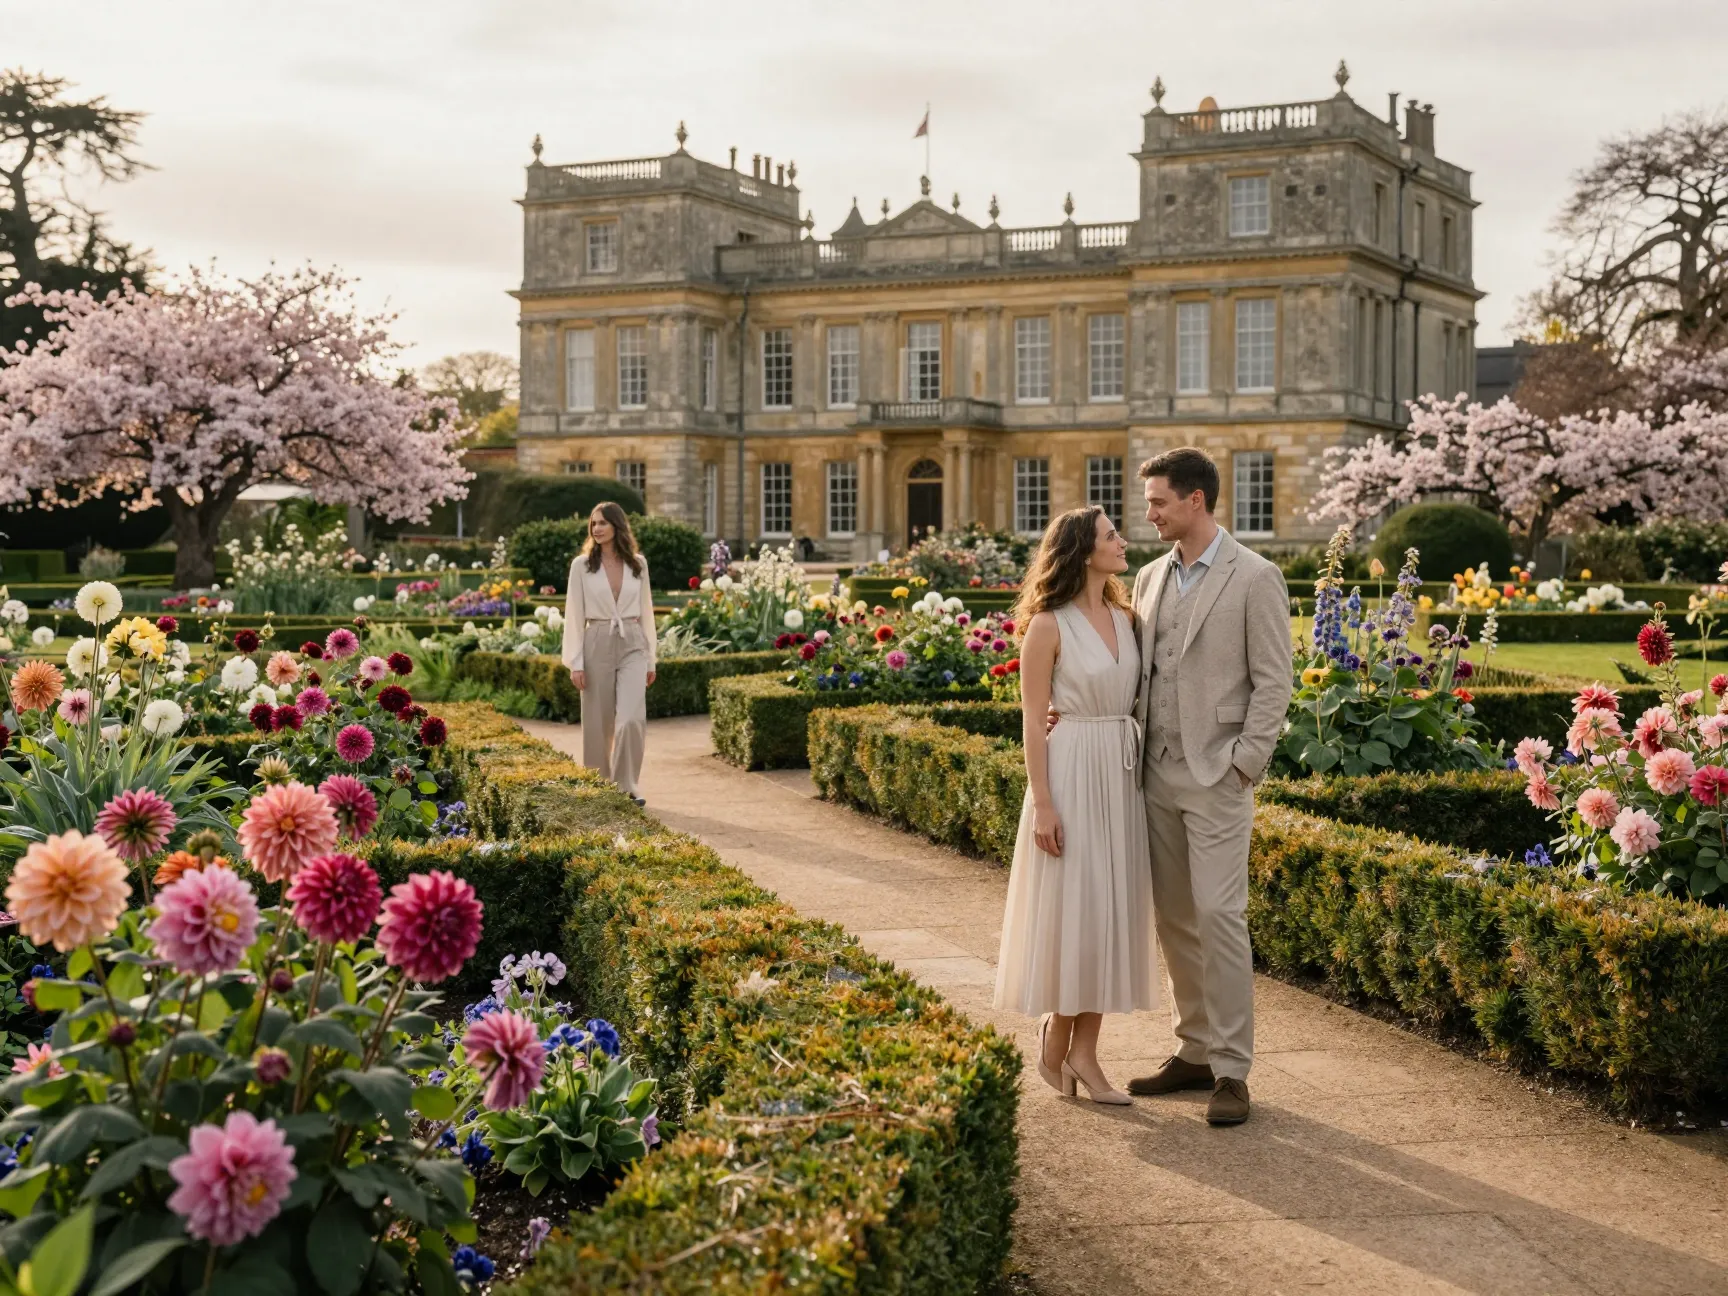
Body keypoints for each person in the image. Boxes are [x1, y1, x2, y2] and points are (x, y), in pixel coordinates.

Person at [1123, 447, 1292, 1125]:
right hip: (1156, 771)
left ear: (1196, 500)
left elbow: (1274, 680)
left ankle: (1231, 1069)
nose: (1151, 512)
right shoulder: (1148, 577)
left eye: (1160, 500)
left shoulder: (1255, 576)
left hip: (1219, 774)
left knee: (1221, 917)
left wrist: (1245, 763)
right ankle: (1192, 1049)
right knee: (1174, 919)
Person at [994, 506, 1160, 1105]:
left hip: (1120, 773)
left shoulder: (1128, 617)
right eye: (1110, 535)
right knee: (1078, 912)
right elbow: (1033, 723)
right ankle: (1065, 1043)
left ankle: (1075, 1047)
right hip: (1068, 774)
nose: (1122, 541)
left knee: (1111, 910)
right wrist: (1043, 804)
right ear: (1082, 551)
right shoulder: (1047, 625)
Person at [560, 502, 657, 805]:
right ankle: (598, 786)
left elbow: (647, 612)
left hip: (632, 642)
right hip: (597, 640)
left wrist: (651, 658)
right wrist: (575, 662)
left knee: (631, 719)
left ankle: (627, 786)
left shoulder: (637, 564)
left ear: (617, 526)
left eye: (603, 523)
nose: (597, 528)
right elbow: (574, 615)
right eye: (593, 524)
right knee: (598, 722)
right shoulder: (582, 565)